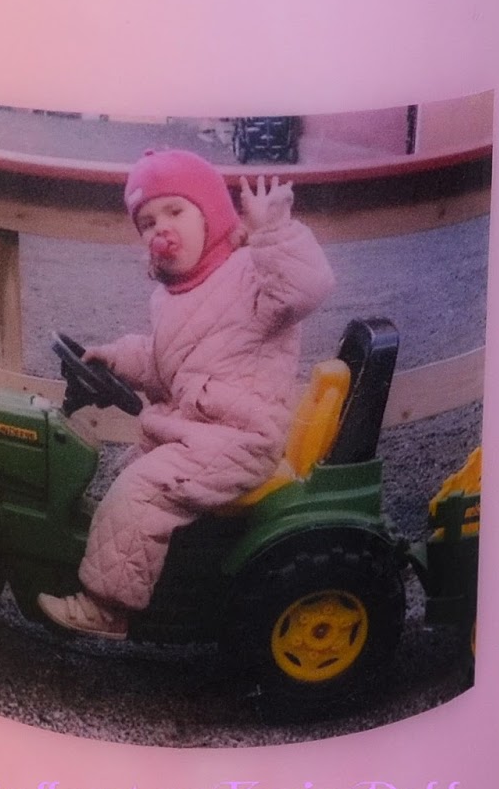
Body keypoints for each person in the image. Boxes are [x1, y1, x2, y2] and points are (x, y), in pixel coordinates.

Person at [37, 147, 336, 638]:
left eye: (175, 211)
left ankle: (107, 607)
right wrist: (116, 358)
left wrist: (273, 232)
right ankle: (162, 582)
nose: (161, 229)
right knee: (126, 470)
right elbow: (164, 362)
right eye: (147, 222)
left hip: (239, 439)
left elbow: (307, 288)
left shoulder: (253, 274)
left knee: (140, 491)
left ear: (212, 215)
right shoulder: (172, 295)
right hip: (194, 432)